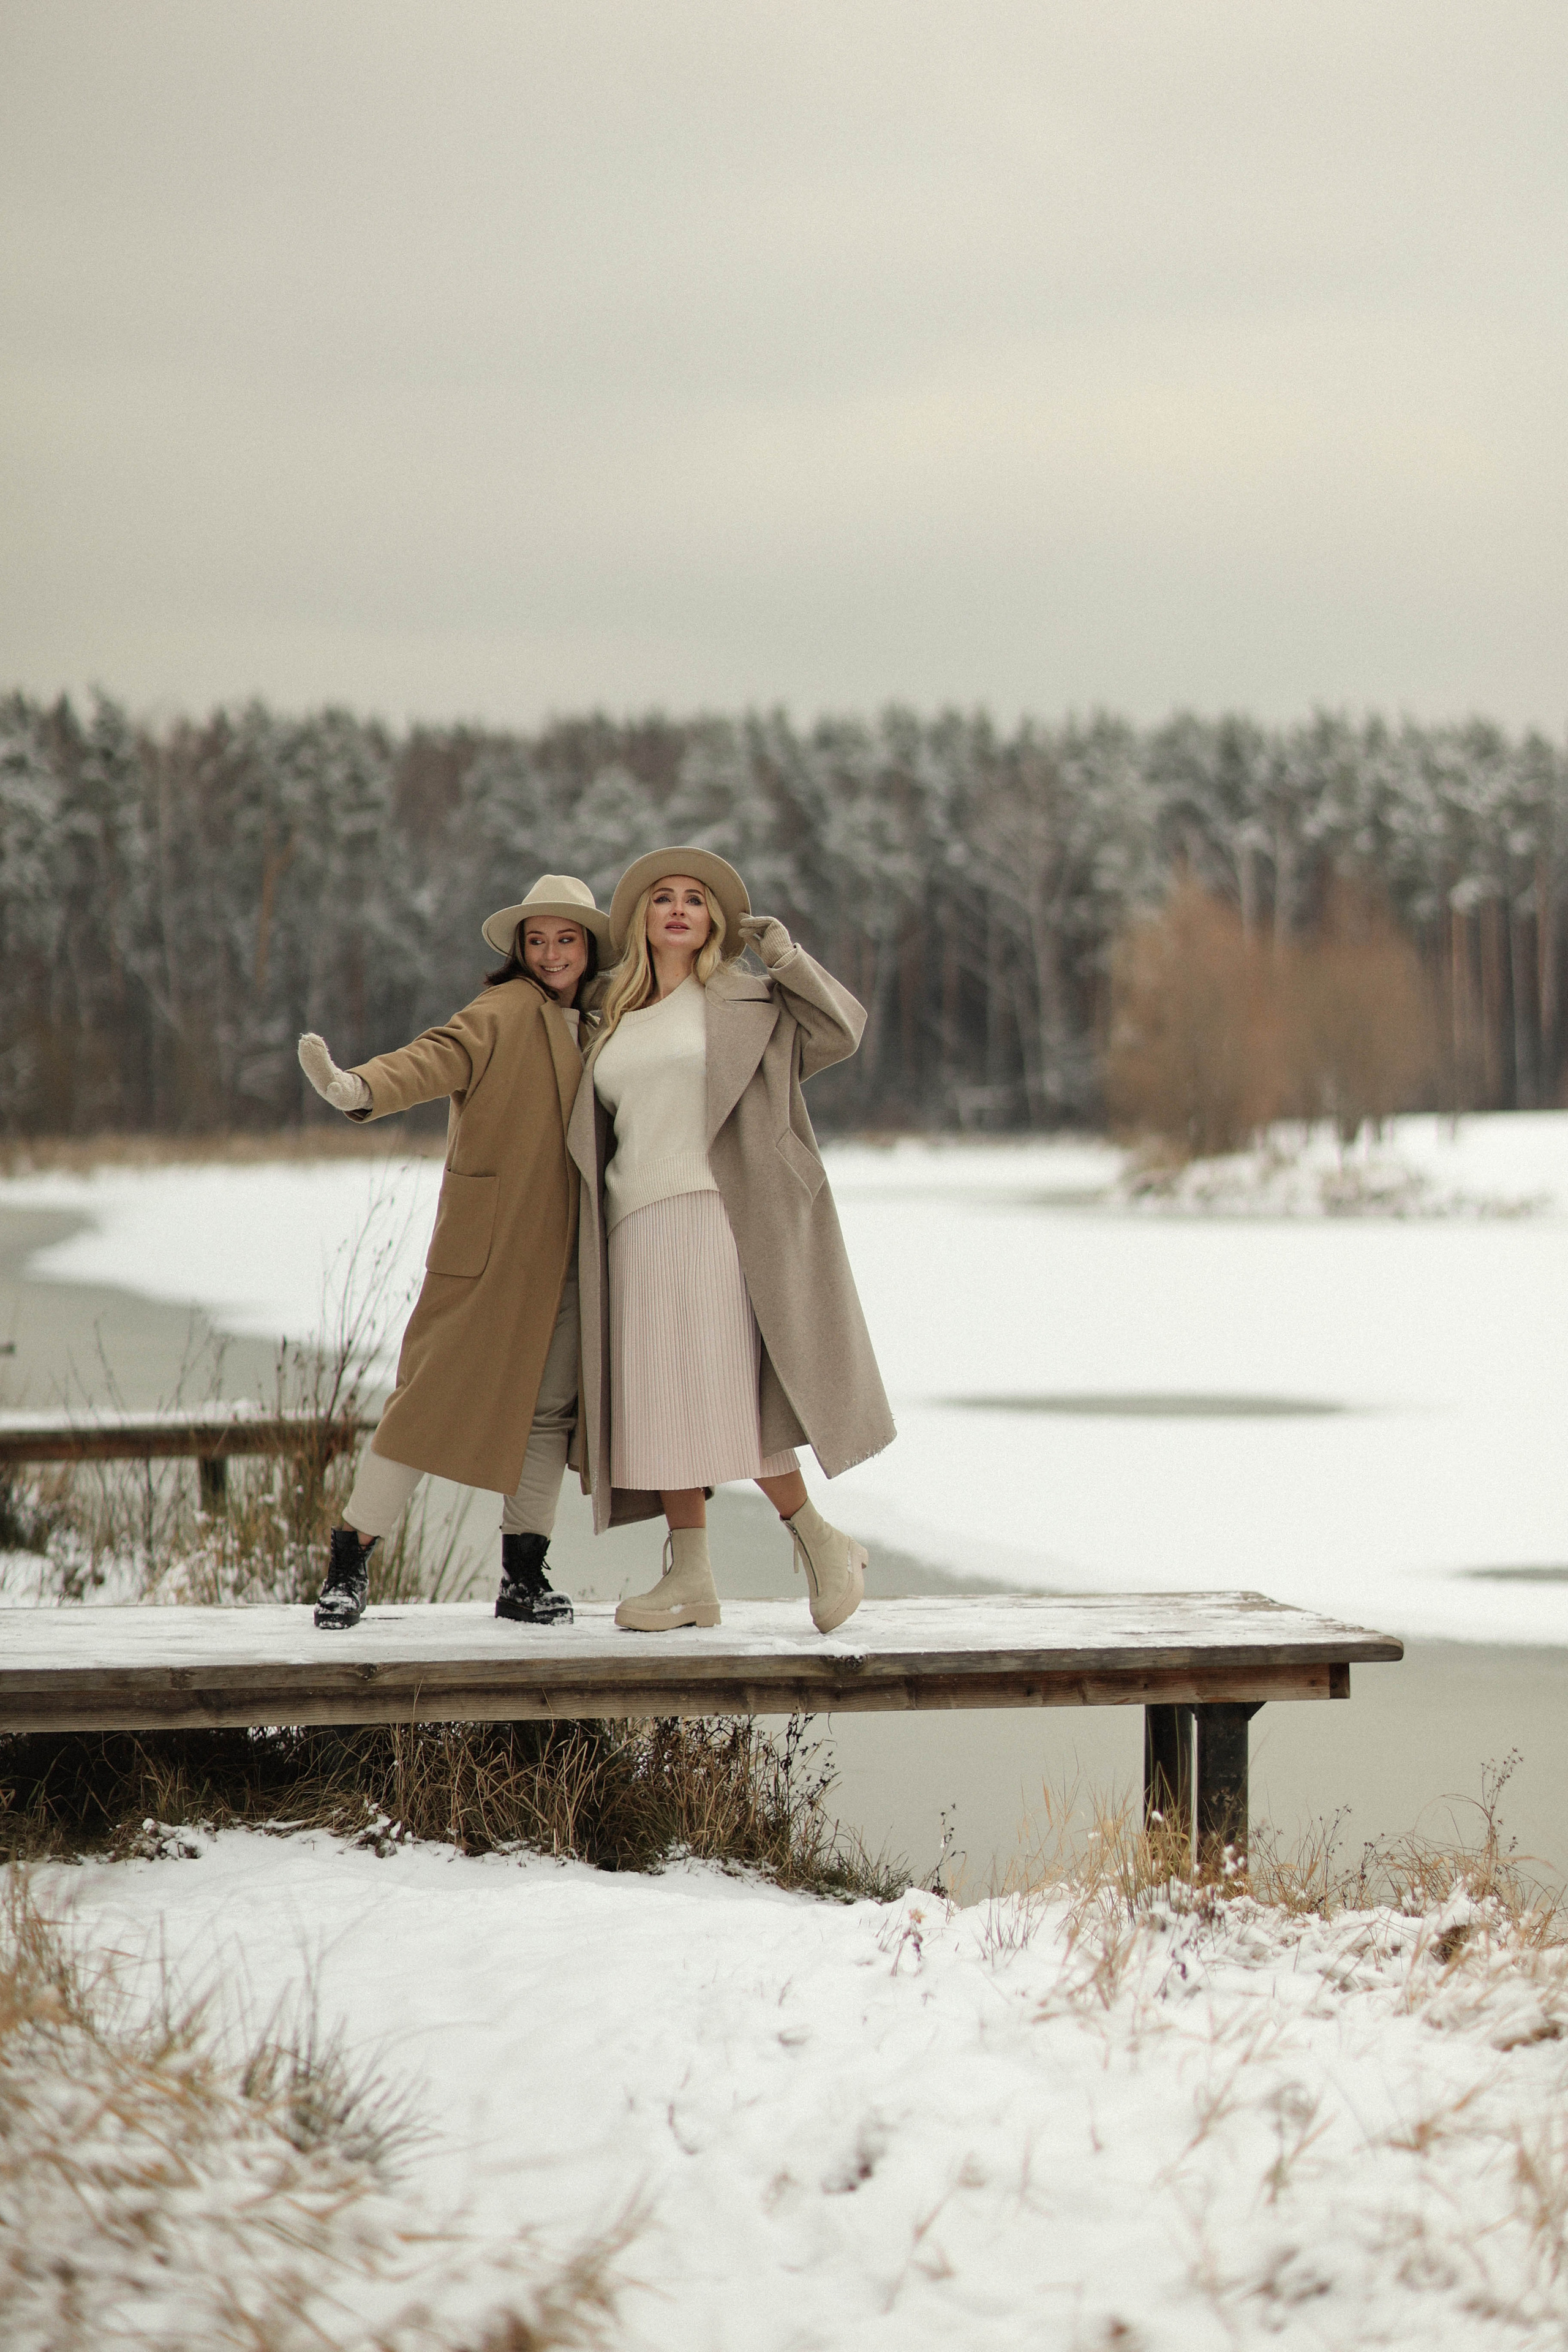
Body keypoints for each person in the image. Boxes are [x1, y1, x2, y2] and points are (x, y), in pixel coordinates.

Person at [567, 846, 895, 1635]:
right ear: (639, 917)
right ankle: (691, 1578)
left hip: (720, 1211)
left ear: (714, 920)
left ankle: (820, 1541)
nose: (679, 908)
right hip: (630, 1222)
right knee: (655, 1402)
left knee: (729, 1393)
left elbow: (840, 1030)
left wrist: (784, 956)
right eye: (662, 898)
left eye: (695, 899)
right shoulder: (605, 1017)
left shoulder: (747, 1002)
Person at [295, 874, 610, 1630]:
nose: (551, 952)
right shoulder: (500, 1011)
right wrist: (355, 1086)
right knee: (424, 1401)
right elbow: (434, 1058)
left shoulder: (604, 1022)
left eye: (566, 939)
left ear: (589, 946)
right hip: (493, 1244)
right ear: (520, 950)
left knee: (549, 1415)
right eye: (537, 940)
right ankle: (349, 1560)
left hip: (578, 1252)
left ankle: (523, 1575)